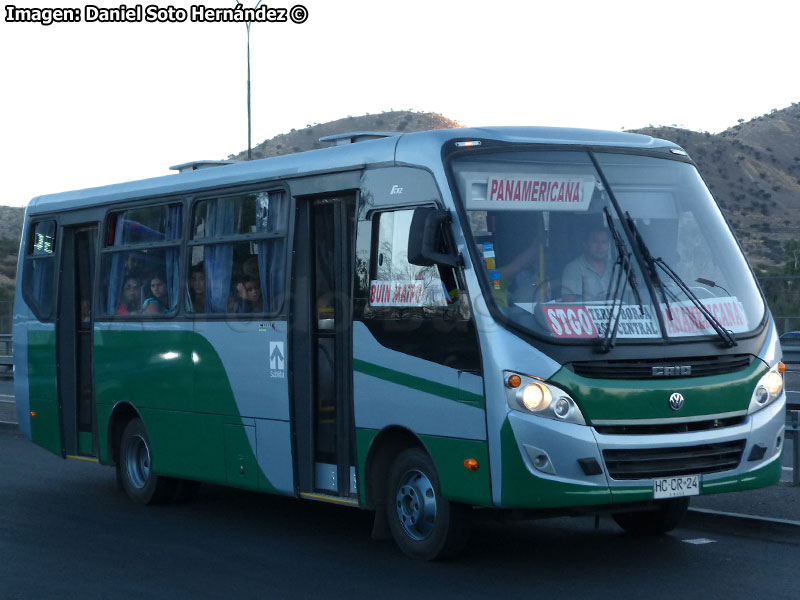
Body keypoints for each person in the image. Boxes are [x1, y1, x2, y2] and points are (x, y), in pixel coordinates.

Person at [561, 226, 614, 302]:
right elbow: (569, 305)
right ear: (585, 244)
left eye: (604, 242)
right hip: (584, 313)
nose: (600, 246)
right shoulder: (573, 269)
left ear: (608, 245)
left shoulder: (617, 268)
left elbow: (628, 298)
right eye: (595, 242)